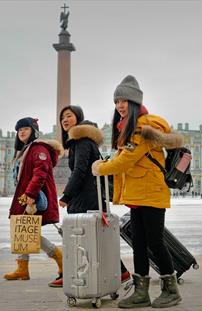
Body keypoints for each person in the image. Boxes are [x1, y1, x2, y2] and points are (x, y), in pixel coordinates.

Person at [92, 75, 183, 308]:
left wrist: (100, 168)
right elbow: (123, 159)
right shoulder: (128, 128)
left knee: (155, 242)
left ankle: (171, 289)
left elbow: (125, 161)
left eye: (124, 101)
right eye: (116, 102)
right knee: (140, 243)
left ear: (134, 103)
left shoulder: (142, 129)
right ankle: (141, 292)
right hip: (138, 194)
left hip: (150, 193)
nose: (120, 106)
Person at [58, 105, 131, 285]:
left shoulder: (82, 141)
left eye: (69, 116)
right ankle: (119, 272)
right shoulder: (83, 141)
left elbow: (80, 171)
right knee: (98, 238)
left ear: (78, 118)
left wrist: (67, 195)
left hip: (86, 198)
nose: (65, 120)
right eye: (62, 118)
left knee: (81, 238)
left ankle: (75, 275)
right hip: (91, 196)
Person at [4, 117, 65, 288]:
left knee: (27, 231)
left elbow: (41, 172)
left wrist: (30, 194)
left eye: (25, 129)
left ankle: (60, 257)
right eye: (19, 130)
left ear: (33, 132)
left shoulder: (38, 149)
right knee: (23, 229)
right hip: (25, 196)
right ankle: (22, 268)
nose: (22, 132)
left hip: (33, 197)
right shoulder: (26, 150)